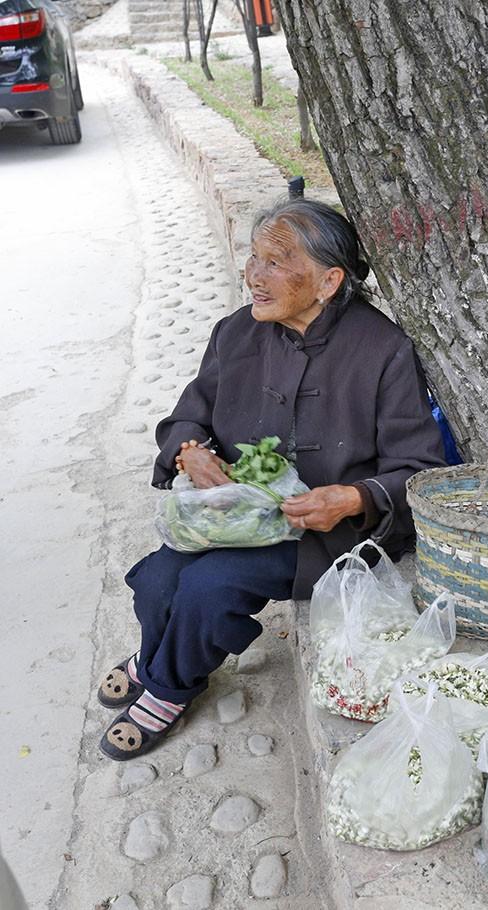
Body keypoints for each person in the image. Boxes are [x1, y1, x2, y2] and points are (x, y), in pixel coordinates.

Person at [97, 199, 447, 761]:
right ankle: (156, 656)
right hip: (234, 513)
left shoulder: (382, 351)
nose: (255, 276)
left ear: (329, 281)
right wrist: (191, 452)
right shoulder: (235, 333)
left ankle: (166, 687)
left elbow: (422, 470)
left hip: (322, 532)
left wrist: (352, 497)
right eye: (254, 258)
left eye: (277, 263)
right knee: (160, 581)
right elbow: (188, 414)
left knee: (209, 590)